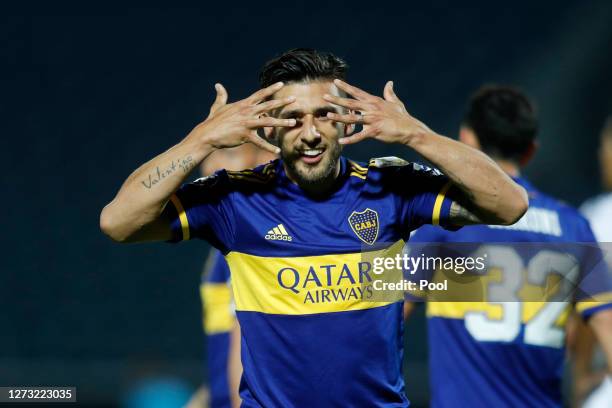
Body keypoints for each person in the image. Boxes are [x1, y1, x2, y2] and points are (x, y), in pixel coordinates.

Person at [100, 48, 527, 407]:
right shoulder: (234, 201)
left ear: (345, 121)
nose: (310, 133)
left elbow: (509, 205)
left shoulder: (390, 187)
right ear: (268, 127)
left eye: (324, 114)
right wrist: (200, 141)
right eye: (293, 118)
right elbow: (118, 222)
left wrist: (417, 135)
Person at [407, 86, 612, 407]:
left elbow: (386, 320)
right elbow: (607, 328)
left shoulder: (445, 222)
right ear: (531, 150)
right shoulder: (574, 226)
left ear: (465, 139)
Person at [188, 145, 276, 408]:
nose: (209, 168)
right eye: (208, 156)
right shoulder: (228, 236)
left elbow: (250, 337)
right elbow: (230, 351)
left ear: (266, 158)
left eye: (229, 154)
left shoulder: (263, 239)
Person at [571, 118, 612, 408]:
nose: (602, 154)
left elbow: (590, 309)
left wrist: (580, 376)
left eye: (606, 143)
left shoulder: (600, 216)